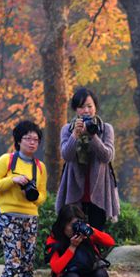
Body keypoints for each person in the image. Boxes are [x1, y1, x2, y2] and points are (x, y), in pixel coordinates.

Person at [0, 120, 48, 277]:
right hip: (8, 216)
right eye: (28, 138)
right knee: (12, 262)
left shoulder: (40, 167)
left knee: (27, 264)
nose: (32, 143)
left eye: (36, 139)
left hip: (30, 217)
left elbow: (42, 197)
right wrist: (12, 180)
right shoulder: (6, 161)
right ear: (18, 140)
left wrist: (33, 194)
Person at [55, 87, 119, 231]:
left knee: (96, 233)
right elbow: (66, 155)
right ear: (75, 109)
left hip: (99, 188)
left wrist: (93, 135)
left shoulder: (106, 128)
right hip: (75, 188)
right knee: (75, 232)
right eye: (81, 107)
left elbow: (107, 156)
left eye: (89, 106)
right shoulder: (67, 129)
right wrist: (75, 135)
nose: (86, 111)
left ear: (95, 107)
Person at [45, 204, 115, 277]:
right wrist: (72, 247)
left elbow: (110, 242)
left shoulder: (85, 235)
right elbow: (56, 268)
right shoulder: (54, 239)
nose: (73, 229)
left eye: (76, 224)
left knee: (102, 276)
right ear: (62, 224)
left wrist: (91, 231)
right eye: (70, 225)